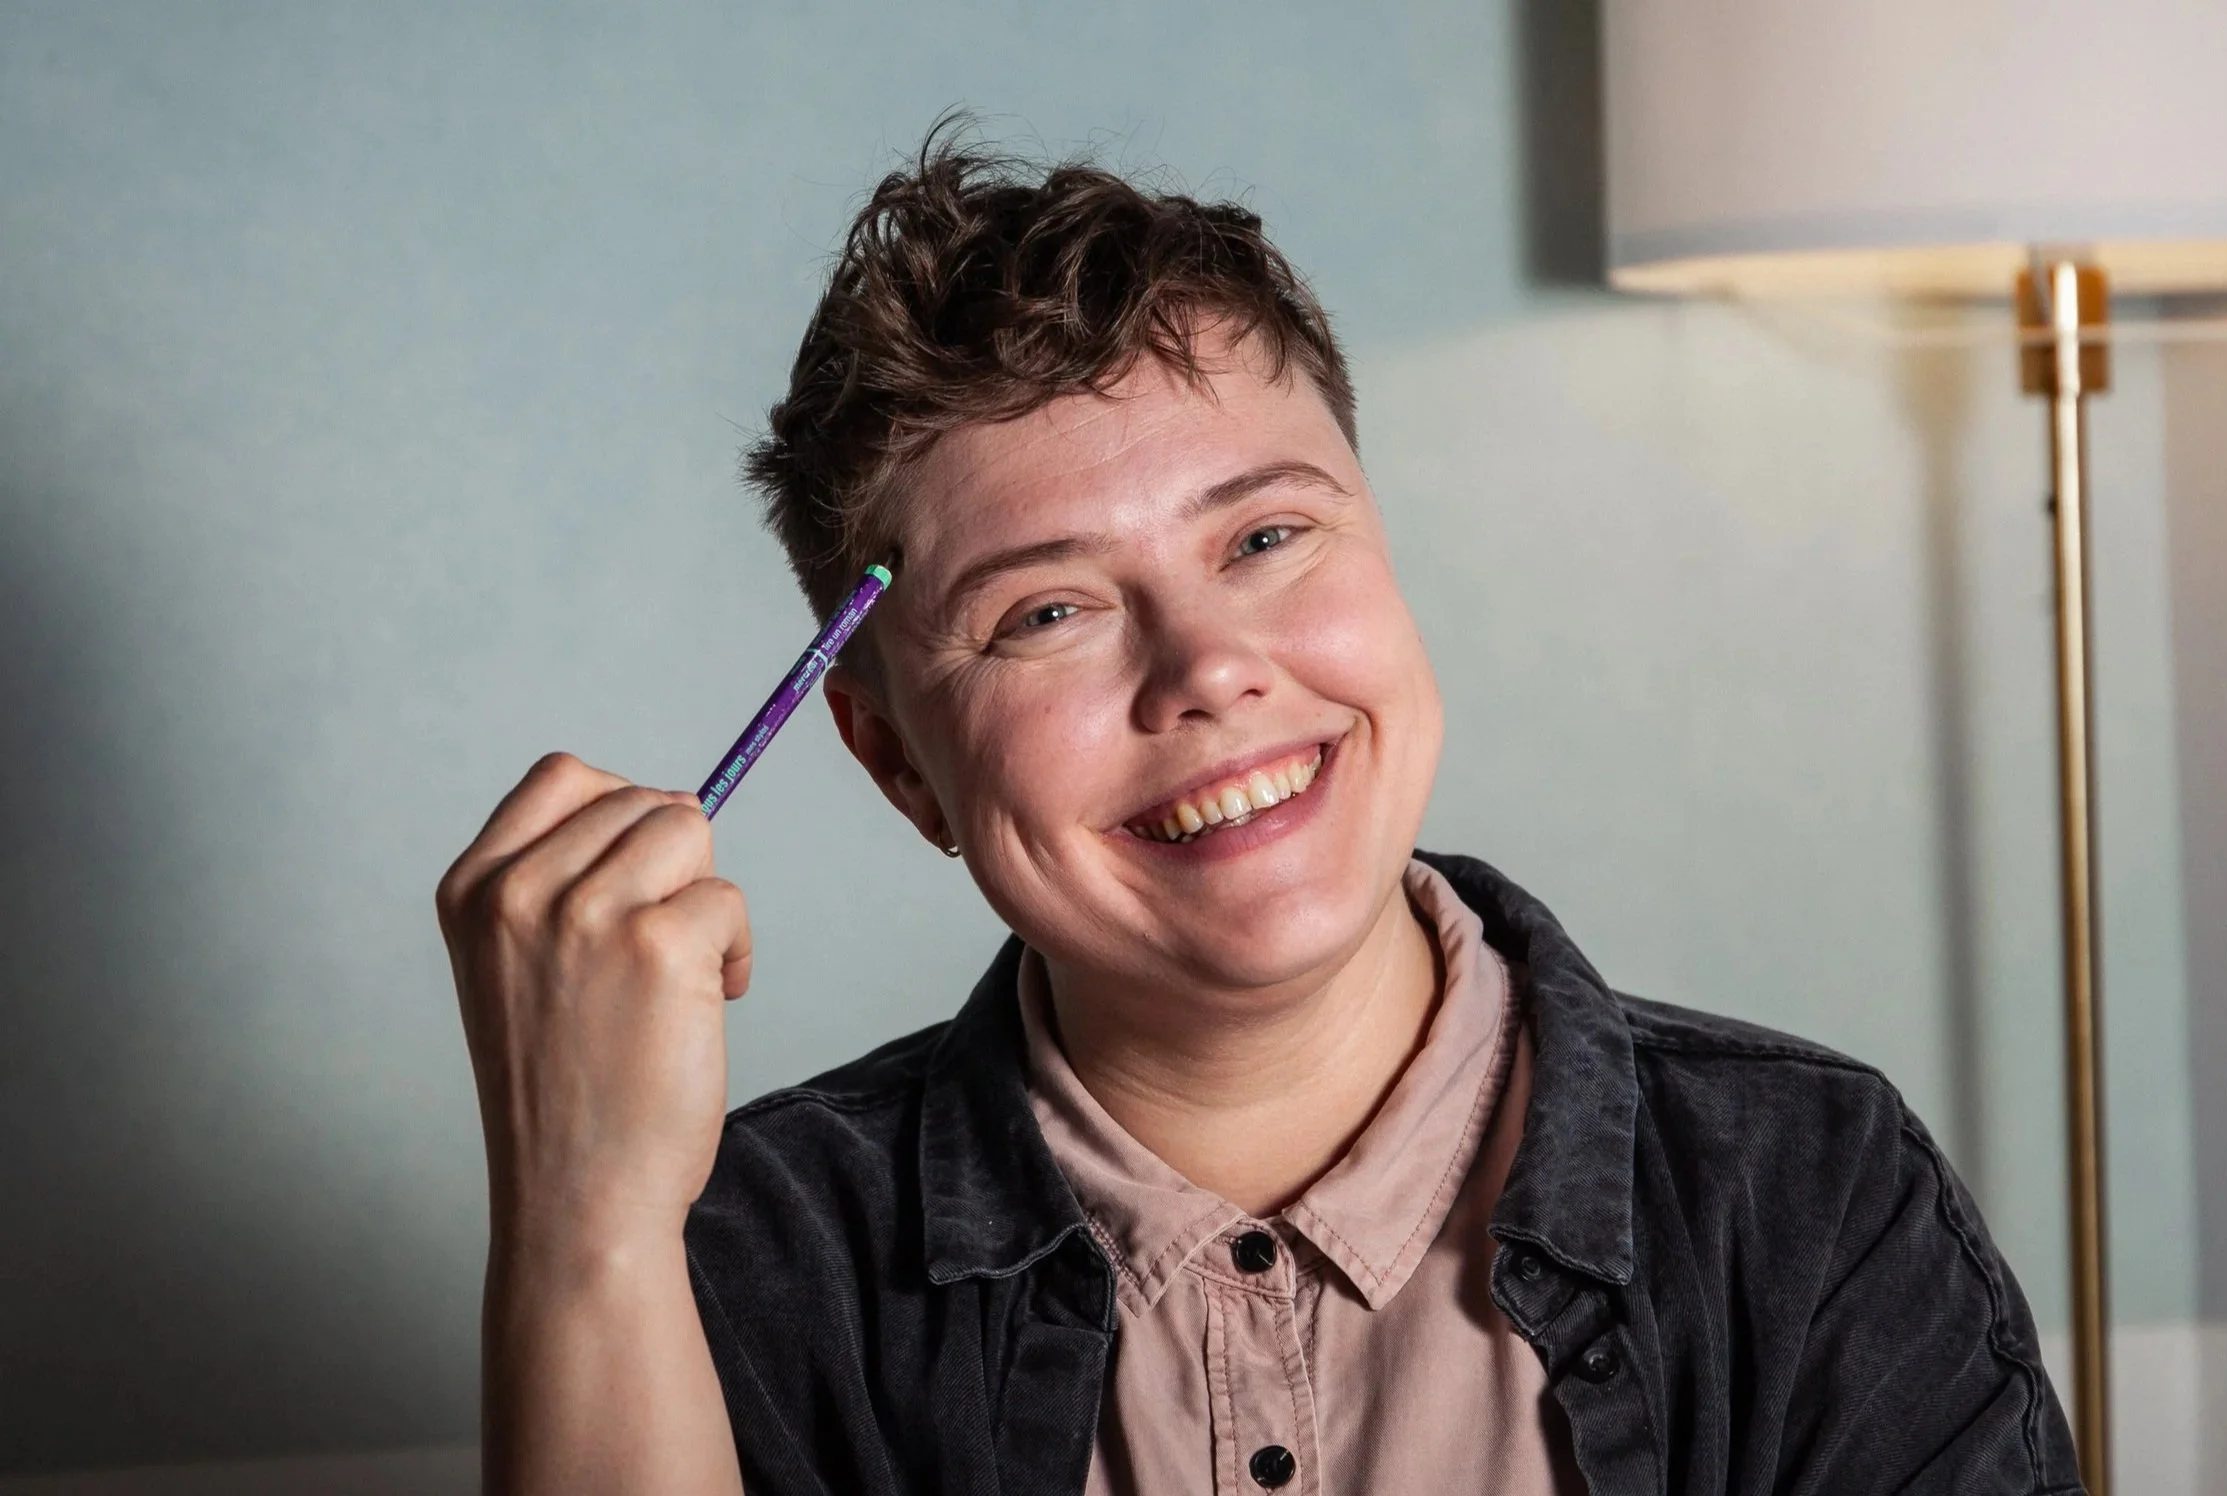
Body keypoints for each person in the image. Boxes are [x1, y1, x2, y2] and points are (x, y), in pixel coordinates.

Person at [435, 129, 2084, 1496]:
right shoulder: (750, 1263)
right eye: (1048, 615)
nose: (1210, 670)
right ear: (895, 763)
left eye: (1266, 539)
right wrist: (588, 1235)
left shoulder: (1808, 1196)